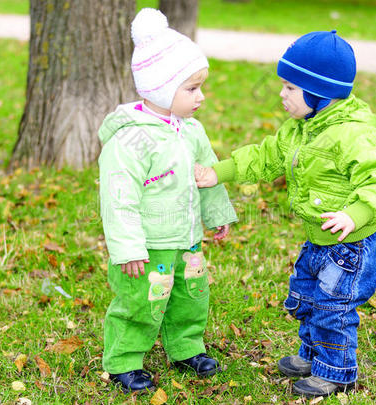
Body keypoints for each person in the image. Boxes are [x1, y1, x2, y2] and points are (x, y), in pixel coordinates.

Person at [195, 30, 376, 397]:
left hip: (350, 244)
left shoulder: (354, 134)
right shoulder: (299, 130)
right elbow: (264, 157)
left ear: (320, 92)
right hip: (319, 239)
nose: (281, 95)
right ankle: (313, 355)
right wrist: (217, 172)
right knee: (308, 298)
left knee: (332, 307)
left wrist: (356, 212)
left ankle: (336, 371)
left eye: (290, 87)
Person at [98, 8, 237, 394]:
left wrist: (217, 214)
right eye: (191, 89)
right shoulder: (130, 140)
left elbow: (206, 175)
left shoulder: (192, 132)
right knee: (142, 302)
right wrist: (127, 248)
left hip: (187, 239)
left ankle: (186, 347)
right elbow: (118, 197)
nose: (201, 97)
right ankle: (125, 360)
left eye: (200, 87)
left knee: (191, 296)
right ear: (160, 88)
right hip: (149, 245)